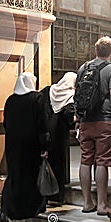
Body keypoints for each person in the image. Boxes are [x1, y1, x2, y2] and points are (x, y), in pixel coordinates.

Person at [0, 72, 49, 222]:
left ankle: (9, 208)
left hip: (13, 144)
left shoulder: (10, 100)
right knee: (30, 176)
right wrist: (44, 145)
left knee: (15, 174)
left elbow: (6, 123)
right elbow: (42, 123)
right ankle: (30, 209)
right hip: (31, 144)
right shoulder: (37, 98)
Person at [76, 36, 111, 216]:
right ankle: (102, 205)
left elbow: (77, 93)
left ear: (95, 50)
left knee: (85, 160)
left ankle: (87, 203)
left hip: (84, 120)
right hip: (104, 119)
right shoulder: (110, 69)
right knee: (102, 161)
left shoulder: (83, 68)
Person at [40, 72, 76, 205]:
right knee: (58, 164)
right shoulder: (70, 97)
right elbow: (69, 117)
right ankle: (56, 197)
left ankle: (43, 195)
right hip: (59, 135)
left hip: (45, 132)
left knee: (45, 164)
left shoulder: (48, 91)